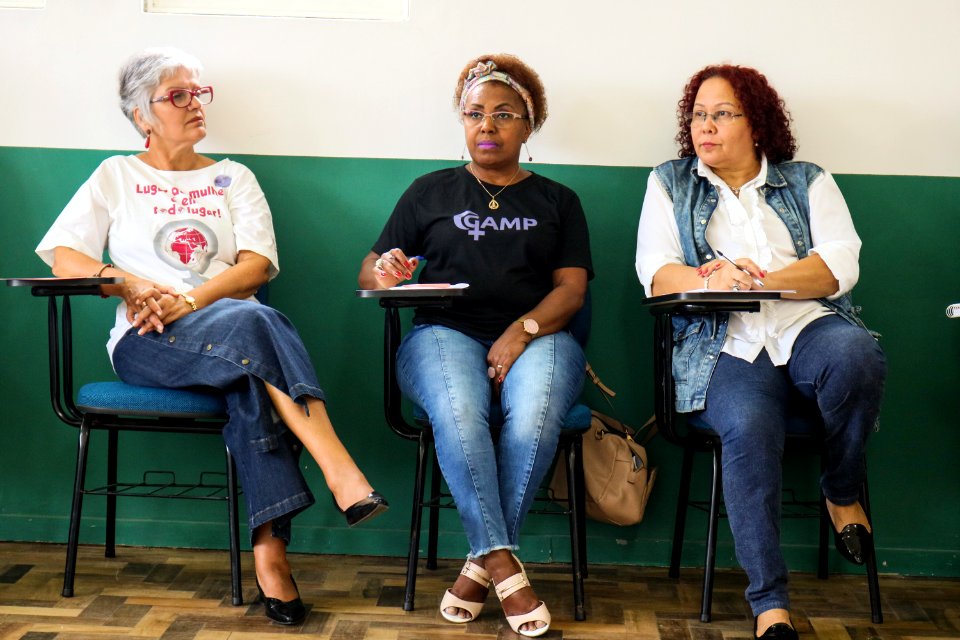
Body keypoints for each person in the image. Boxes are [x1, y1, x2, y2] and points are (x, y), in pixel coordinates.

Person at [35, 47, 387, 626]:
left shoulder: (233, 177)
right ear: (141, 116)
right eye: (178, 95)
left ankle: (271, 554)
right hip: (146, 342)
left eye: (199, 92)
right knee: (259, 324)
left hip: (226, 332)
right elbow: (63, 255)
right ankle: (338, 470)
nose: (194, 103)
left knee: (251, 361)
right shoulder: (115, 175)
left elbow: (256, 267)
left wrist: (192, 298)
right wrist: (124, 281)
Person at [635, 64, 886, 640]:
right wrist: (712, 277)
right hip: (722, 344)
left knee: (857, 356)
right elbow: (656, 272)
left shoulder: (807, 180)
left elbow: (838, 266)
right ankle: (769, 605)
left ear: (758, 123)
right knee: (748, 427)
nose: (706, 126)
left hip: (805, 326)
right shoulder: (671, 182)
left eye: (722, 113)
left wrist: (761, 277)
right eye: (698, 114)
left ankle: (841, 491)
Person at [358, 53, 592, 638]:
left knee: (532, 418)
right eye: (474, 113)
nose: (486, 126)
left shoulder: (559, 201)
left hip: (543, 337)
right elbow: (370, 271)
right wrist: (384, 271)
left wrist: (522, 331)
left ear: (529, 124)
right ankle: (505, 567)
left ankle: (480, 566)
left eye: (503, 114)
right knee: (459, 411)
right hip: (442, 334)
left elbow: (571, 289)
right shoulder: (429, 190)